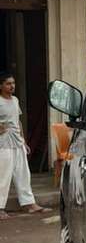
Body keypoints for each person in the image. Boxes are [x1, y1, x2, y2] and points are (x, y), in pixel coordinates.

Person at [0, 71, 48, 218]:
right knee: (3, 176)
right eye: (8, 84)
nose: (12, 86)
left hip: (17, 141)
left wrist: (24, 141)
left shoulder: (15, 100)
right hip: (4, 143)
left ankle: (29, 204)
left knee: (23, 174)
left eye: (13, 83)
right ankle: (0, 209)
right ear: (1, 86)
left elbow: (18, 122)